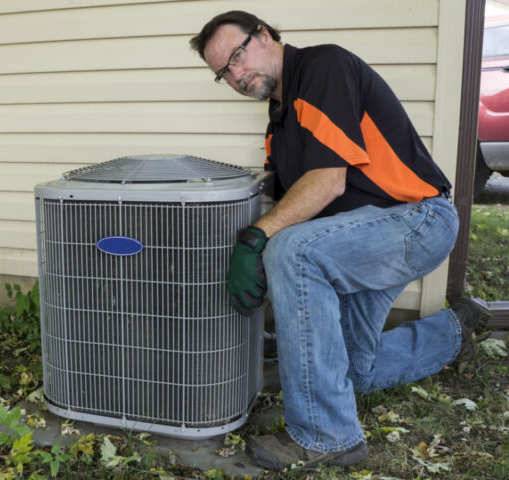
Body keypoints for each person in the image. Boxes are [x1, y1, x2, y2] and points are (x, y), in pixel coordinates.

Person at [190, 11, 484, 471]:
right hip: (360, 238)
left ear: (263, 35)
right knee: (348, 371)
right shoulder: (279, 122)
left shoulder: (323, 67)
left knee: (291, 252)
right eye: (223, 72)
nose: (235, 75)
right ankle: (452, 333)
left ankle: (326, 436)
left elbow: (328, 182)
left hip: (416, 220)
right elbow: (290, 203)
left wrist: (255, 241)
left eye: (237, 56)